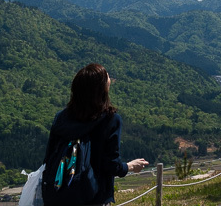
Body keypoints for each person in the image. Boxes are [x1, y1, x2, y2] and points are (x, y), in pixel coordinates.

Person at [45, 63, 148, 206]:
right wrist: (130, 166)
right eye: (107, 77)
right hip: (94, 196)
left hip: (58, 195)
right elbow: (111, 164)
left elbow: (49, 158)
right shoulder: (110, 119)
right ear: (102, 88)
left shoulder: (61, 118)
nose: (110, 79)